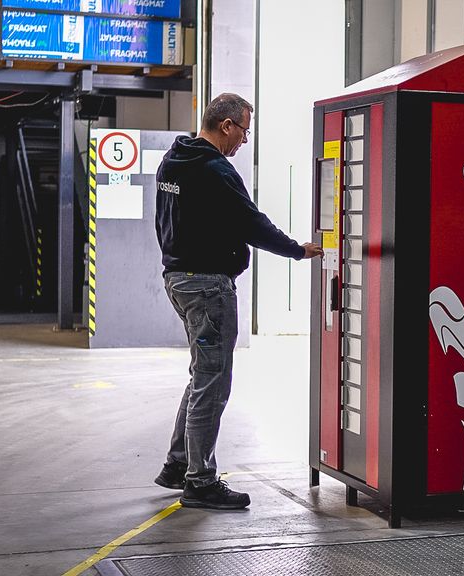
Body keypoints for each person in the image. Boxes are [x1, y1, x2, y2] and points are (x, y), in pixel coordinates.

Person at [152, 93, 322, 510]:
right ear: (226, 125)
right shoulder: (214, 168)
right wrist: (296, 251)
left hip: (178, 278)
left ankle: (178, 464)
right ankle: (200, 481)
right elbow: (250, 222)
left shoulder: (174, 161)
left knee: (201, 375)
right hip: (208, 286)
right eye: (244, 130)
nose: (244, 140)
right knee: (213, 381)